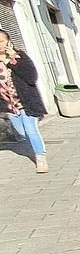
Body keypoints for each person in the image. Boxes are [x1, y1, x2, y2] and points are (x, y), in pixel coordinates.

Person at [0, 30, 48, 173]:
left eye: (1, 42)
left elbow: (32, 77)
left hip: (26, 102)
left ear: (8, 41)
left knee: (30, 130)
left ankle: (41, 158)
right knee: (22, 132)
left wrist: (13, 60)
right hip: (9, 105)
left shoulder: (19, 57)